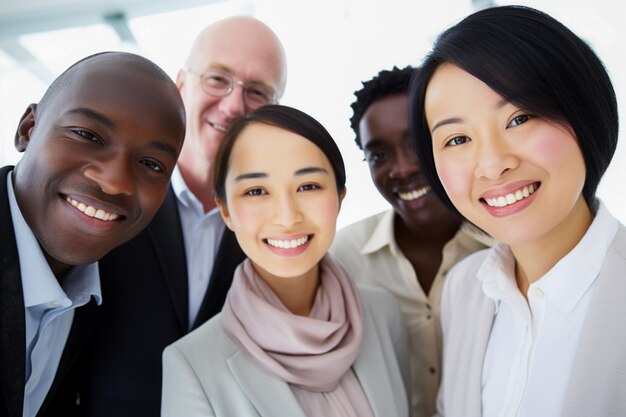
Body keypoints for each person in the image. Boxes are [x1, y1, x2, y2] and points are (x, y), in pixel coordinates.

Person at [409, 5, 625, 417]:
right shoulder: (464, 289)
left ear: (582, 113)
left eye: (519, 118)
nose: (492, 164)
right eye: (456, 140)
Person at [81, 16, 288, 417]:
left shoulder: (275, 228)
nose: (233, 104)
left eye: (258, 91)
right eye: (217, 79)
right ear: (180, 85)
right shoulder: (109, 196)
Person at [161, 105, 410, 417]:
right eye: (256, 191)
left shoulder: (383, 313)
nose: (287, 217)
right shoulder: (191, 363)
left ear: (340, 197)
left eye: (308, 186)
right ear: (225, 211)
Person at [0, 51, 185, 417]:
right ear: (28, 130)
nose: (115, 181)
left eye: (151, 163)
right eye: (87, 135)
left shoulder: (107, 284)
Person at [330, 66, 490, 417]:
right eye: (379, 155)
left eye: (416, 144)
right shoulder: (341, 258)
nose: (401, 169)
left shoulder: (503, 247)